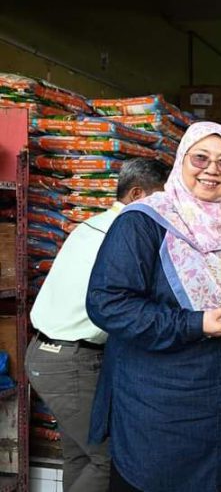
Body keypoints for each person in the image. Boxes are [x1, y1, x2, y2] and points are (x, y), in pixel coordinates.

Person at [85, 122, 221, 492]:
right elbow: (108, 304)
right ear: (181, 160)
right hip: (158, 404)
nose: (211, 169)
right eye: (201, 157)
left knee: (217, 479)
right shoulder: (144, 222)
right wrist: (197, 324)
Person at [25, 158, 168, 491]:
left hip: (50, 353)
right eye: (162, 200)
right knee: (109, 459)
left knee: (80, 455)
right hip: (72, 360)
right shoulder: (124, 235)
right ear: (137, 194)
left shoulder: (92, 224)